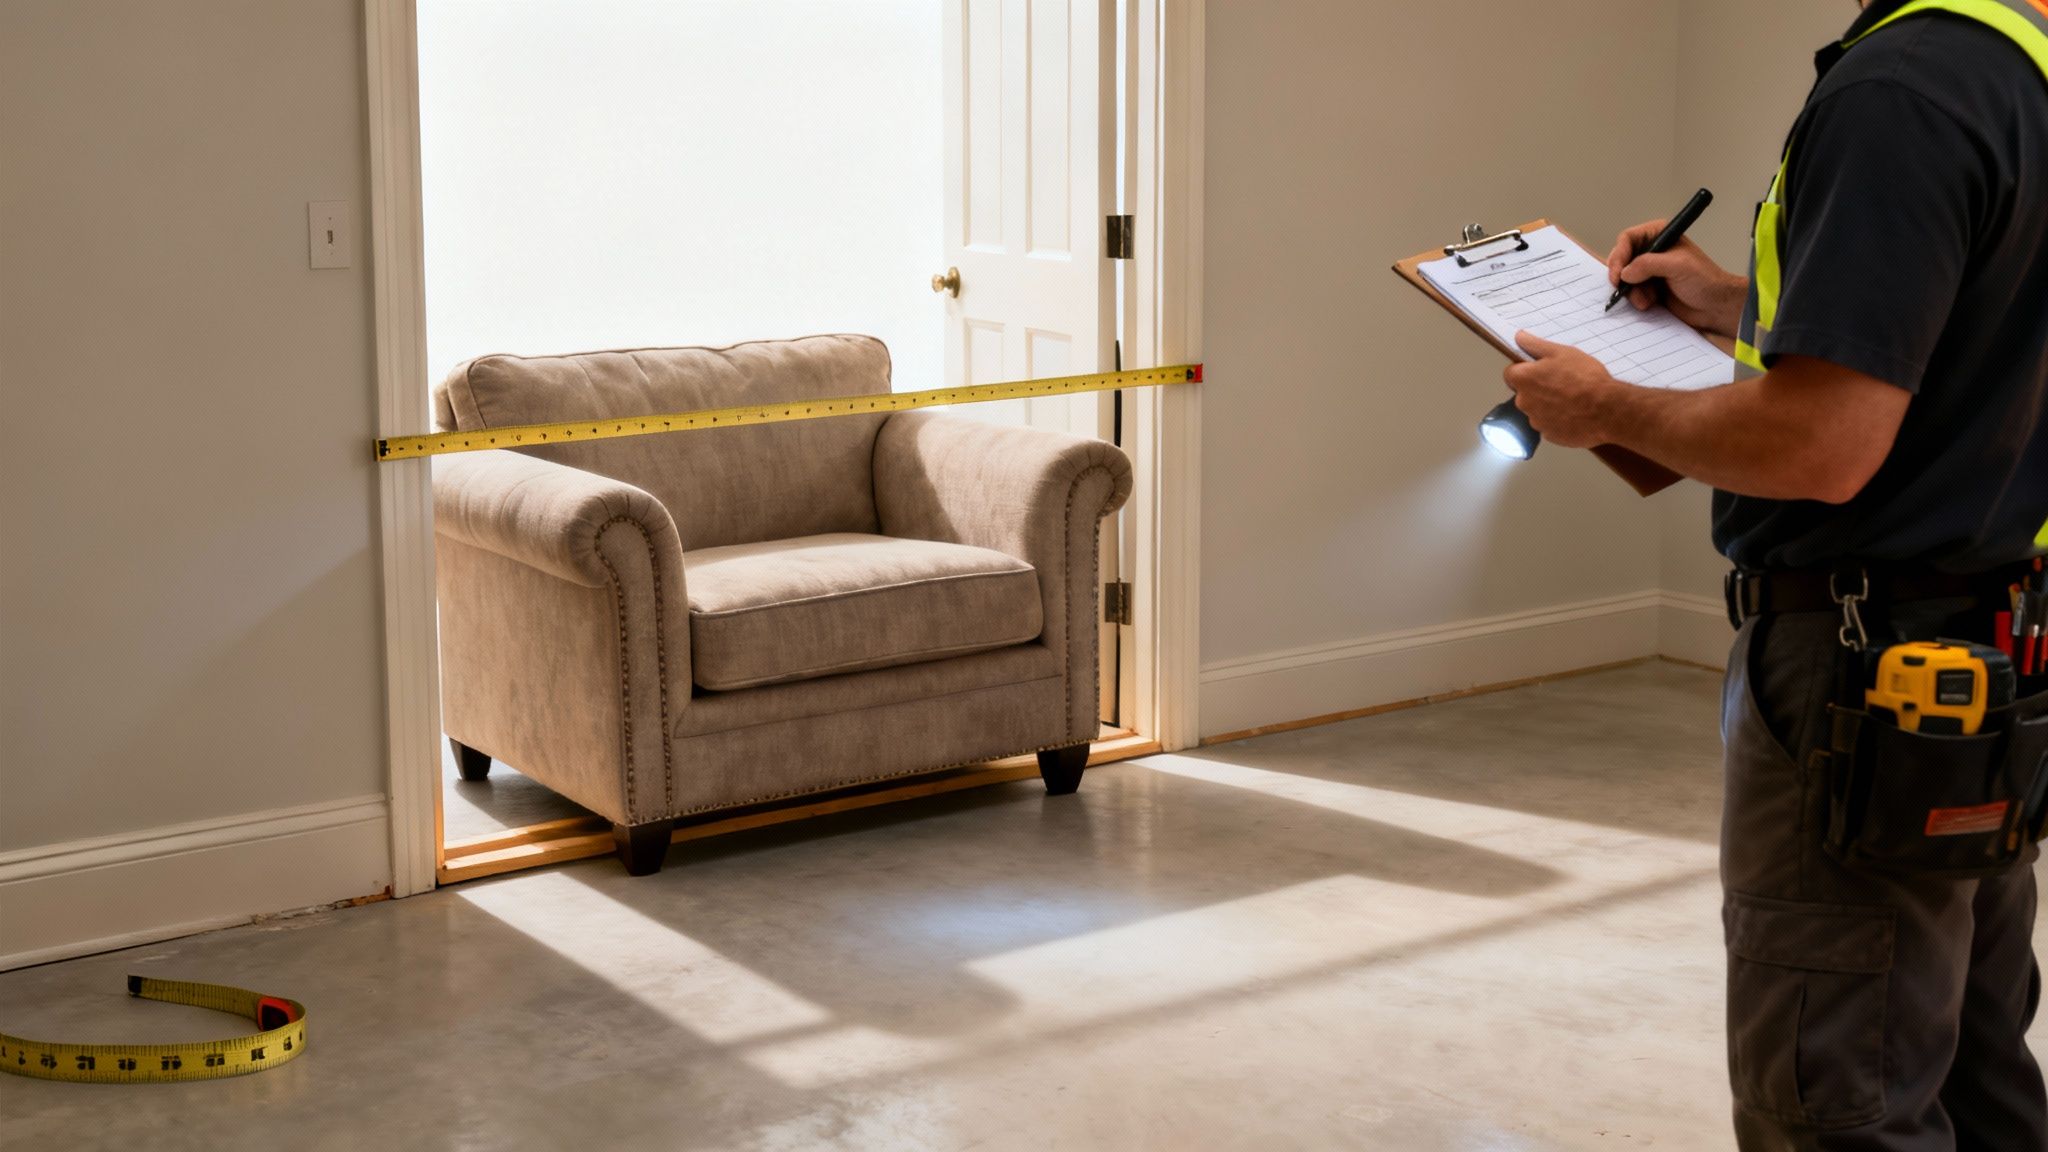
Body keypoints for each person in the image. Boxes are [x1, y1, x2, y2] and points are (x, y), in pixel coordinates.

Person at [1499, 0, 2048, 1147]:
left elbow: (1819, 447)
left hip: (1863, 674)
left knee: (1839, 1100)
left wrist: (1602, 406)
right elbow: (1965, 323)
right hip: (1995, 648)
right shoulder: (2020, 71)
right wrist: (1733, 303)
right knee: (1970, 1067)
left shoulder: (1896, 90)